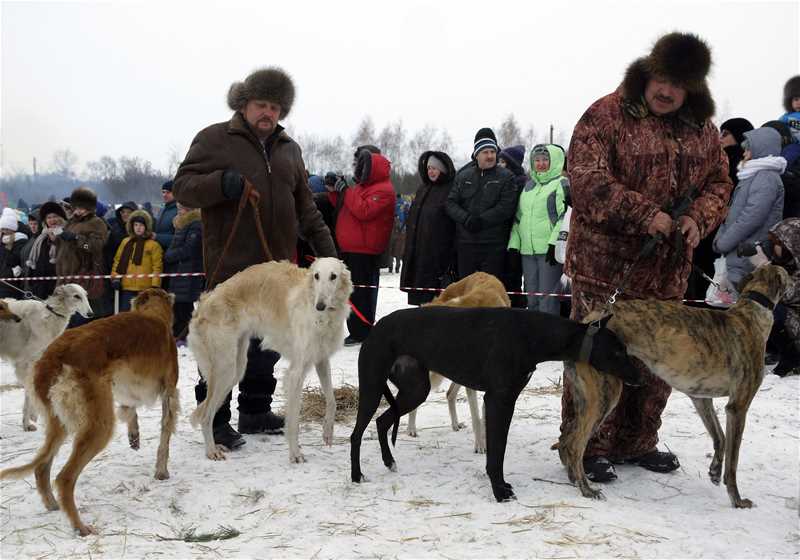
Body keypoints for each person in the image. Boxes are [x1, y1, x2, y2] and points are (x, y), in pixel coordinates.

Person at [560, 32, 733, 483]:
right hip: (604, 270)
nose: (668, 91)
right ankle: (586, 444)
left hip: (668, 273)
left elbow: (720, 183)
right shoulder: (605, 115)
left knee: (658, 363)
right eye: (663, 79)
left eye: (680, 85)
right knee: (598, 358)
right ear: (648, 72)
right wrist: (645, 214)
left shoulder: (702, 129)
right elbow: (586, 182)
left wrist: (700, 216)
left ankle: (637, 441)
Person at [173, 66, 337, 450]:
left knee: (266, 348)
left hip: (278, 270)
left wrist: (331, 258)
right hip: (229, 266)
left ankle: (255, 411)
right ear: (244, 104)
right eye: (261, 104)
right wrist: (221, 184)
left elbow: (308, 209)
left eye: (276, 107)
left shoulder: (289, 149)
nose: (268, 113)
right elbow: (183, 186)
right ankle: (215, 420)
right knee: (223, 346)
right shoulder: (215, 139)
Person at [330, 146, 395, 345]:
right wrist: (336, 191)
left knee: (361, 293)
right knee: (351, 292)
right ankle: (356, 330)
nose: (358, 170)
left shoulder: (384, 190)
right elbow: (347, 206)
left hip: (365, 250)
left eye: (361, 166)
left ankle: (362, 331)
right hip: (351, 249)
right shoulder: (361, 188)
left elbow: (363, 211)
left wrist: (346, 191)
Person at [713, 127, 785, 290]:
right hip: (739, 253)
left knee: (739, 309)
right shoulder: (755, 175)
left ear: (760, 150)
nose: (744, 154)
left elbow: (751, 218)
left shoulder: (766, 177)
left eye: (748, 150)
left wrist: (723, 242)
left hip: (747, 255)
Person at [446, 128, 517, 280]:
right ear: (476, 154)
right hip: (466, 245)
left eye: (493, 151)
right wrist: (467, 219)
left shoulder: (507, 177)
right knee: (467, 293)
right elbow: (450, 203)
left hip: (494, 245)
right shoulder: (463, 176)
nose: (490, 156)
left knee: (489, 294)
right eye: (485, 152)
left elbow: (506, 207)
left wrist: (482, 220)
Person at [508, 144, 568, 314]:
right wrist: (514, 246)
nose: (540, 163)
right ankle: (533, 335)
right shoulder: (528, 186)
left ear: (555, 161)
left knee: (547, 299)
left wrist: (554, 244)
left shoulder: (560, 183)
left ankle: (549, 337)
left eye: (545, 160)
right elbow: (519, 218)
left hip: (549, 253)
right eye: (537, 160)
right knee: (531, 298)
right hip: (528, 252)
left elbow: (565, 216)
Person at [400, 151, 457, 305]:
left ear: (443, 169)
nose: (430, 171)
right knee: (420, 302)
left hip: (438, 255)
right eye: (429, 168)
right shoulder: (423, 189)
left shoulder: (450, 189)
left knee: (436, 303)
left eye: (435, 168)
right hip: (418, 253)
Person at [55, 187, 110, 325]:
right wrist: (57, 238)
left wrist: (76, 239)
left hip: (84, 274)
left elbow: (94, 247)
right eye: (76, 207)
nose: (78, 210)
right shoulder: (72, 222)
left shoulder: (97, 223)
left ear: (90, 208)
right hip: (66, 275)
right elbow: (64, 246)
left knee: (80, 319)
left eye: (82, 208)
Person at [163, 203, 203, 344]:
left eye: (182, 208)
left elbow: (189, 249)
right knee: (178, 307)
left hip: (188, 272)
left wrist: (170, 256)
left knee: (185, 307)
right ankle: (179, 334)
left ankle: (184, 336)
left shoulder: (195, 225)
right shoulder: (181, 225)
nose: (179, 210)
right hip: (178, 273)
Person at [111, 210, 164, 312]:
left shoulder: (153, 245)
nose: (138, 228)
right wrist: (115, 278)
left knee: (144, 317)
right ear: (131, 226)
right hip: (127, 287)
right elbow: (117, 261)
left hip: (146, 289)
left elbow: (157, 267)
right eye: (135, 225)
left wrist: (155, 285)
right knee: (126, 317)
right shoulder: (125, 242)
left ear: (146, 227)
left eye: (141, 225)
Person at [23, 202, 67, 300]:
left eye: (54, 216)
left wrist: (56, 241)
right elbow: (37, 261)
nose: (52, 220)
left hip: (58, 285)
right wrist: (33, 282)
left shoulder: (66, 234)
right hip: (40, 286)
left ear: (61, 217)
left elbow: (68, 256)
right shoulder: (42, 237)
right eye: (48, 217)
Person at [0, 208, 28, 299]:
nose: (4, 232)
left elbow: (13, 260)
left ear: (13, 229)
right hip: (3, 279)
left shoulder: (20, 240)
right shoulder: (2, 240)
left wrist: (8, 247)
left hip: (12, 281)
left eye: (6, 229)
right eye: (2, 229)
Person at [779, 75, 800, 144]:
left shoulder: (787, 118)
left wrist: (789, 120)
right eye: (796, 99)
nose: (799, 103)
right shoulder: (786, 116)